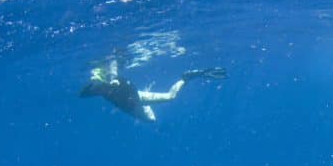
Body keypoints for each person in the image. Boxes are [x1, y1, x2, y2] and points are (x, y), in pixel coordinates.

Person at [80, 56, 226, 122]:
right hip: (133, 93)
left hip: (130, 96)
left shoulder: (136, 109)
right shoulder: (108, 91)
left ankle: (185, 78)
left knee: (166, 101)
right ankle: (186, 78)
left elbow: (84, 93)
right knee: (164, 102)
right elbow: (84, 93)